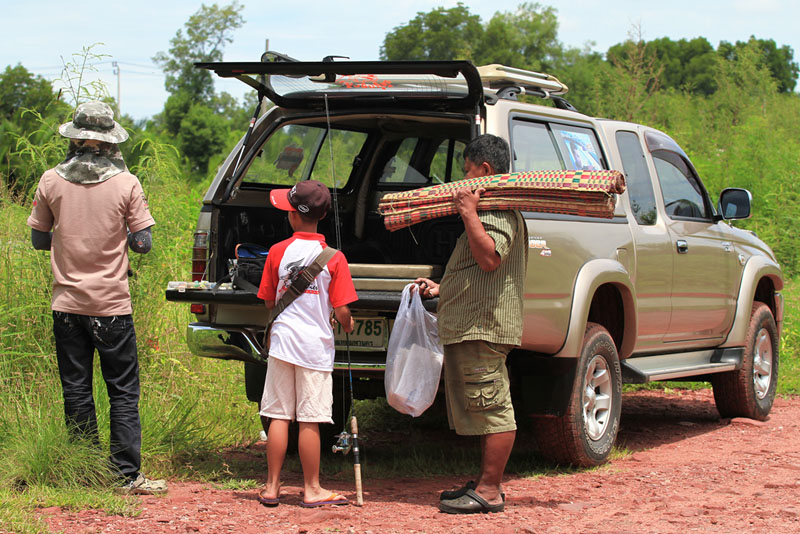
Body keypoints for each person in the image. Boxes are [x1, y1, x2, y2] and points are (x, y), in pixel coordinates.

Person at [27, 101, 165, 495]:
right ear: (109, 143)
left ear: (73, 138)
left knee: (76, 387)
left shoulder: (50, 181)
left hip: (67, 303)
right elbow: (143, 244)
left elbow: (39, 239)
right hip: (111, 306)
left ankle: (83, 472)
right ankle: (125, 475)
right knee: (121, 389)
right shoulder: (127, 183)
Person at [415, 134, 527, 514]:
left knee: (492, 406)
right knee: (482, 408)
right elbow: (475, 272)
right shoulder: (487, 210)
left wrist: (467, 211)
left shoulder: (495, 211)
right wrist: (442, 288)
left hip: (484, 326)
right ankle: (484, 482)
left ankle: (491, 490)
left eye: (467, 172)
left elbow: (490, 258)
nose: (462, 181)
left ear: (485, 171)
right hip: (471, 324)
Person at [256, 180, 357, 508]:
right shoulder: (335, 258)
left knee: (279, 415)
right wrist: (347, 324)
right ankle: (312, 488)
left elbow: (269, 302)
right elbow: (341, 310)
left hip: (282, 342)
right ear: (324, 214)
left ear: (292, 215)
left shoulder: (277, 252)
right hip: (314, 347)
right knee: (310, 419)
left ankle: (272, 487)